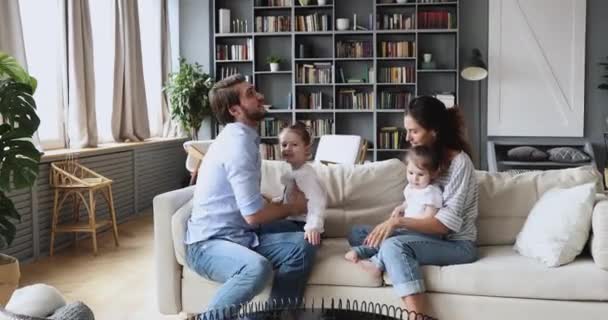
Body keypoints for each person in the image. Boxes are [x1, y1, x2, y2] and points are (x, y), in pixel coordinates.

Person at [184, 74, 317, 316]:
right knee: (256, 268)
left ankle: (272, 315)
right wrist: (293, 207)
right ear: (235, 110)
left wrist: (269, 202)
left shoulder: (244, 138)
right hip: (209, 245)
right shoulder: (237, 146)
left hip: (240, 234)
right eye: (251, 94)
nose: (260, 97)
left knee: (306, 239)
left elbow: (243, 200)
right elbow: (254, 216)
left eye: (255, 91)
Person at [346, 96, 479, 316]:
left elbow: (444, 227)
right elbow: (417, 199)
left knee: (392, 246)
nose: (407, 137)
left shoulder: (459, 164)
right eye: (407, 131)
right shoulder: (424, 160)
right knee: (359, 233)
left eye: (414, 131)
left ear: (434, 131)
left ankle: (417, 315)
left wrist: (397, 222)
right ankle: (385, 256)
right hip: (423, 236)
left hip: (456, 245)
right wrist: (399, 214)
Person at [344, 145, 443, 275]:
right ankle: (371, 248)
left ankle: (372, 260)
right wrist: (401, 207)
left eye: (420, 174)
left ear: (433, 173)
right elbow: (409, 202)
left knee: (390, 240)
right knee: (357, 232)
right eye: (411, 173)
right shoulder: (411, 188)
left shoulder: (432, 192)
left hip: (422, 234)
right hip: (405, 229)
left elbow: (429, 219)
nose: (414, 178)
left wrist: (402, 221)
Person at [270, 122, 327, 246]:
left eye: (294, 145)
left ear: (306, 149)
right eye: (284, 145)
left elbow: (317, 202)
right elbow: (295, 196)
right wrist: (279, 200)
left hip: (304, 226)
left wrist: (313, 227)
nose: (288, 148)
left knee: (262, 227)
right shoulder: (294, 171)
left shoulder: (307, 175)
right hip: (294, 222)